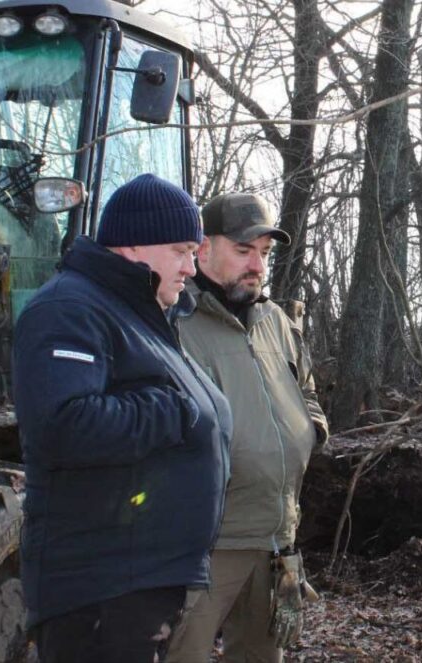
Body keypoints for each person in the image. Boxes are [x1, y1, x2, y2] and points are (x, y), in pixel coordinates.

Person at [13, 173, 233, 663]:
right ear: (134, 244)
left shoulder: (140, 312)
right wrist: (174, 408)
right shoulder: (69, 309)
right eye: (181, 250)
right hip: (100, 591)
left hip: (139, 585)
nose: (191, 268)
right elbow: (64, 426)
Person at [166, 192, 329, 663]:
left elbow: (308, 391)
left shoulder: (276, 320)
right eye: (243, 251)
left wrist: (310, 430)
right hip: (207, 541)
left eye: (263, 253)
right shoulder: (176, 320)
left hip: (276, 534)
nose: (256, 264)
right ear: (203, 248)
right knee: (182, 653)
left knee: (262, 655)